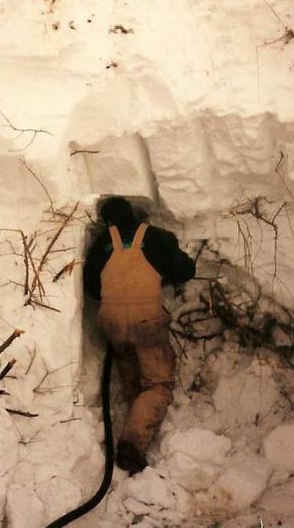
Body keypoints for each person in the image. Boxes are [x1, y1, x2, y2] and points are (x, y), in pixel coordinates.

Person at [83, 195, 195, 474]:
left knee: (132, 369)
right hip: (146, 322)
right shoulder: (157, 237)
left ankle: (137, 425)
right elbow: (184, 271)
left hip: (112, 324)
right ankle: (133, 444)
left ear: (108, 222)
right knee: (158, 384)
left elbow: (91, 286)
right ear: (135, 216)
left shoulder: (101, 245)